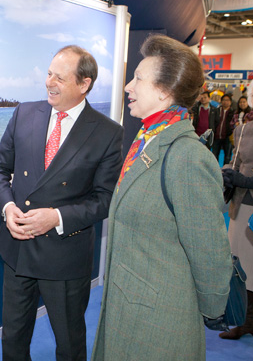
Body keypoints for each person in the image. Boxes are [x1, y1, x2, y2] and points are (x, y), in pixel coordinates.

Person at [92, 34, 232, 361]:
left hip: (159, 325)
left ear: (164, 91)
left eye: (138, 78)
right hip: (129, 310)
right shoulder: (147, 140)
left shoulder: (187, 158)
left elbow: (209, 251)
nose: (128, 86)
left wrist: (212, 310)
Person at [0, 45, 123, 361]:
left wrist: (57, 217)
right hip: (17, 250)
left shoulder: (106, 133)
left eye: (59, 78)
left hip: (65, 257)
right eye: (49, 73)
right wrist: (7, 208)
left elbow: (106, 200)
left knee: (69, 344)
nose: (49, 82)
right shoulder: (24, 112)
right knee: (14, 339)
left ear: (84, 84)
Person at [220, 74, 253, 340]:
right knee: (241, 269)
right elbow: (235, 162)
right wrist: (227, 173)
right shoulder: (242, 130)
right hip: (241, 209)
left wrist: (251, 180)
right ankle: (246, 320)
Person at [212, 93, 234, 164]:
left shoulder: (233, 112)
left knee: (227, 157)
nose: (225, 102)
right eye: (224, 100)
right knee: (214, 156)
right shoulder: (216, 110)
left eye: (227, 100)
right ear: (221, 101)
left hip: (227, 136)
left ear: (230, 102)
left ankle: (225, 172)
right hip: (216, 136)